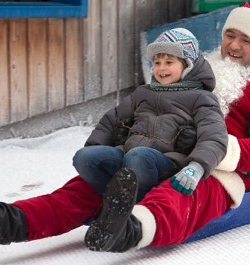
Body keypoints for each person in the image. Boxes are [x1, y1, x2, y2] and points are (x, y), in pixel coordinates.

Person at [0, 2, 250, 252]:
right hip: (155, 151)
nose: (234, 46)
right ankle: (1, 222)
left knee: (178, 196)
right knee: (82, 190)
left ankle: (129, 230)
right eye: (230, 35)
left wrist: (210, 149)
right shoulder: (195, 71)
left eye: (246, 40)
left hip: (216, 168)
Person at [73, 27, 227, 202]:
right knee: (84, 157)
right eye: (157, 62)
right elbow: (110, 120)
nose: (161, 68)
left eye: (169, 62)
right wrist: (96, 145)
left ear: (187, 65)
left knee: (138, 156)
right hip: (129, 156)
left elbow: (214, 137)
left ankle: (133, 207)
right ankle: (114, 201)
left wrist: (196, 167)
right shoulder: (142, 93)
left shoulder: (201, 98)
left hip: (168, 164)